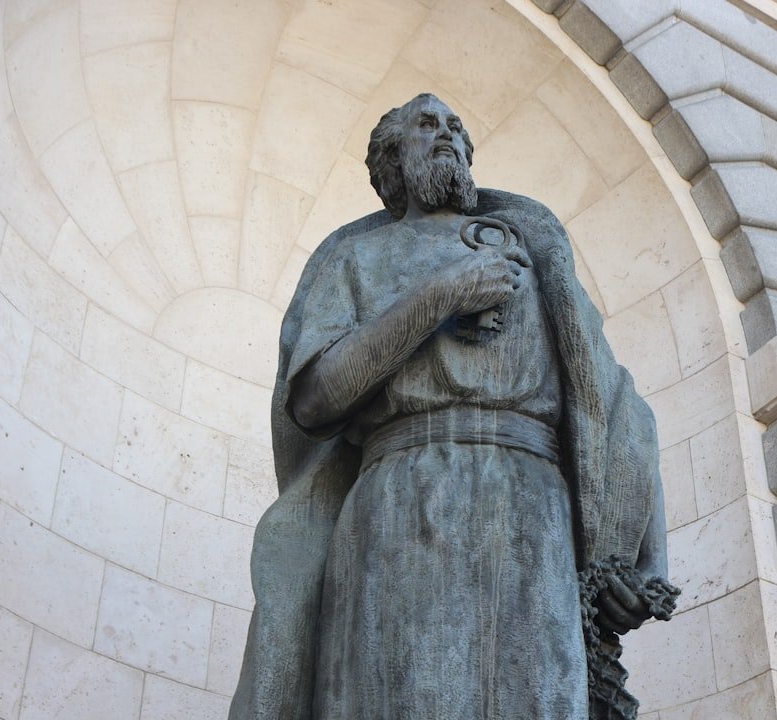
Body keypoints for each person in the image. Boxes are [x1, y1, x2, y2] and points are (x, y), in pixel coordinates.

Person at [229, 94, 676, 720]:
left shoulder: (535, 247)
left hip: (533, 513)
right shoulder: (355, 258)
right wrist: (440, 296)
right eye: (427, 124)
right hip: (399, 504)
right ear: (392, 161)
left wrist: (642, 562)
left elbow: (614, 403)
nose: (448, 132)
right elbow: (313, 399)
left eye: (457, 127)